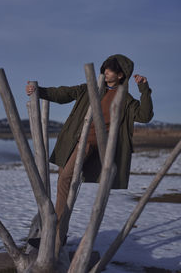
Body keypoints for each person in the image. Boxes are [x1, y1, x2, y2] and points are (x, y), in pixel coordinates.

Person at [26, 54, 153, 247]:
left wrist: (144, 90)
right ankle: (58, 234)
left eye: (110, 69)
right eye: (105, 68)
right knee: (65, 185)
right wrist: (39, 91)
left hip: (91, 144)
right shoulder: (90, 89)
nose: (105, 71)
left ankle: (54, 237)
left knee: (65, 179)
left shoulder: (125, 99)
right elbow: (63, 94)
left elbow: (145, 116)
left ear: (120, 75)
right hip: (73, 141)